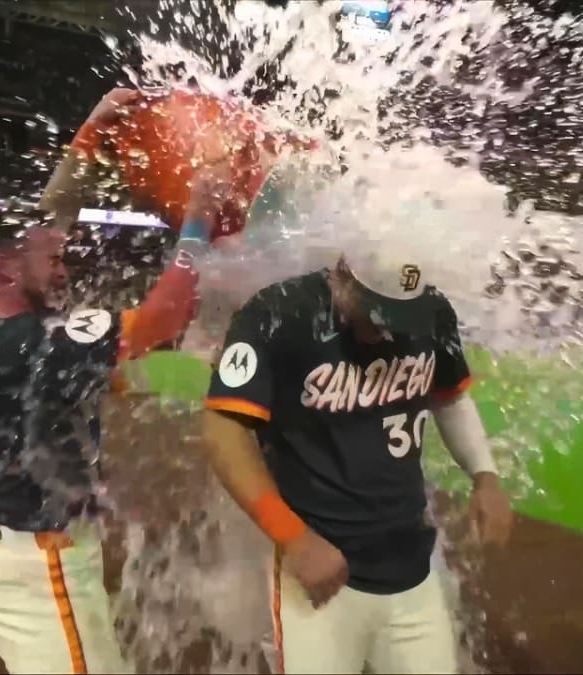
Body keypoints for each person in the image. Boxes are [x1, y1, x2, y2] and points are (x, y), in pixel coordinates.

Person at [0, 87, 218, 675]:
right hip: (44, 571)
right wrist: (199, 217)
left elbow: (50, 219)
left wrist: (93, 128)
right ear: (5, 265)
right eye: (51, 257)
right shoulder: (32, 343)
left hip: (26, 558)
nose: (63, 261)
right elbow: (168, 314)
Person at [201, 243, 514, 674]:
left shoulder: (431, 310)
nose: (386, 332)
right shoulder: (279, 312)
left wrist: (485, 474)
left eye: (397, 317)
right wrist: (292, 536)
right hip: (319, 571)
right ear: (342, 274)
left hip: (409, 565)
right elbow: (224, 432)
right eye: (375, 312)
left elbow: (450, 397)